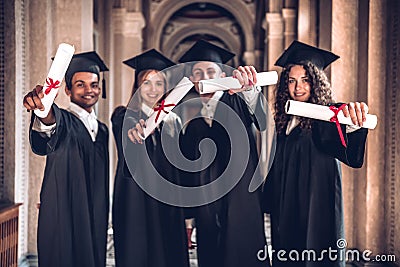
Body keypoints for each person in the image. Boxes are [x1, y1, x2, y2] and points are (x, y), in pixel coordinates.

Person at [262, 41, 369, 267]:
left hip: (317, 207)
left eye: (305, 80)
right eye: (292, 80)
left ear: (316, 82)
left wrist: (354, 118)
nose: (298, 87)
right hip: (287, 210)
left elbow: (346, 128)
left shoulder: (326, 117)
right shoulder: (283, 123)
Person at [178, 39, 270, 267]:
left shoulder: (237, 102)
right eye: (198, 72)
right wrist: (189, 221)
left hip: (241, 202)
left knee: (244, 254)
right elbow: (189, 177)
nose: (205, 76)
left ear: (222, 75)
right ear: (192, 81)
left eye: (211, 71)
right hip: (207, 209)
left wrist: (249, 89)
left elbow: (261, 119)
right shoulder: (193, 125)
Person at [23, 51, 110, 267]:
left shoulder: (103, 130)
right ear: (68, 89)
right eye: (80, 84)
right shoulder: (64, 120)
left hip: (94, 210)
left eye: (94, 84)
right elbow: (50, 124)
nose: (89, 90)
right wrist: (43, 110)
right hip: (64, 208)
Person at [111, 49, 190, 267]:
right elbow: (126, 131)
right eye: (146, 82)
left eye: (159, 83)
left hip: (169, 201)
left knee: (169, 253)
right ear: (137, 87)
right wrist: (136, 130)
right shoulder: (124, 115)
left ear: (166, 88)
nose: (153, 89)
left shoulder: (173, 121)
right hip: (135, 200)